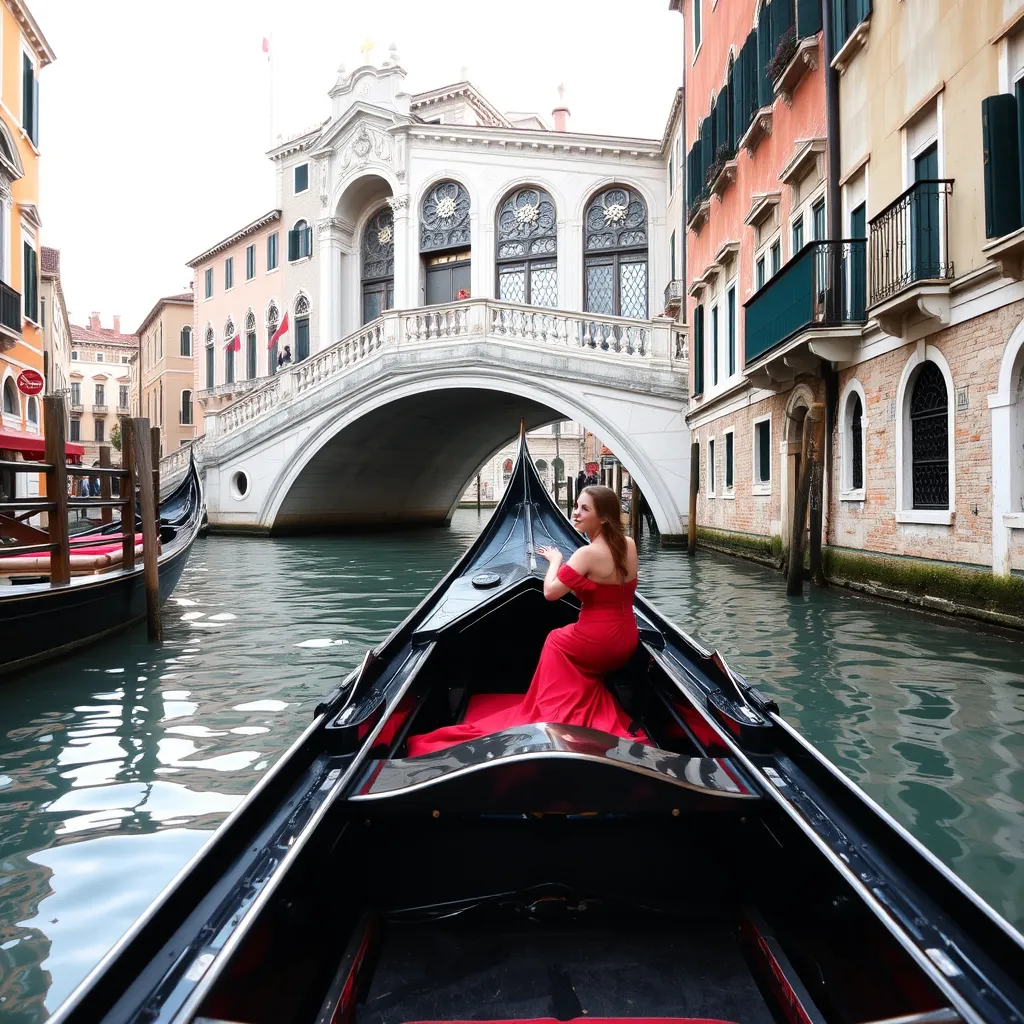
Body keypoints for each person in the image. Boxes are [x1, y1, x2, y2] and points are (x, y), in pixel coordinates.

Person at [406, 485, 643, 756]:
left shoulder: (586, 554)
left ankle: (549, 710)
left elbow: (551, 592)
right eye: (576, 506)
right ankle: (579, 694)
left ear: (602, 518)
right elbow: (608, 588)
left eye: (584, 509)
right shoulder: (629, 544)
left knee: (556, 639)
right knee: (569, 638)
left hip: (597, 644)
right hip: (625, 641)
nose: (575, 513)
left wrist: (555, 560)